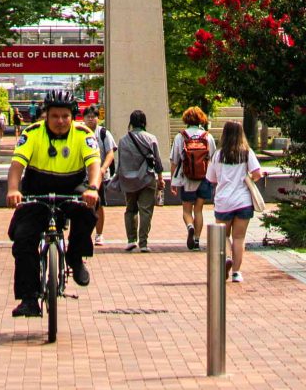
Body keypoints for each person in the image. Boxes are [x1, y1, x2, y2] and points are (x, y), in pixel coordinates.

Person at [3, 92, 100, 320]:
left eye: (65, 116)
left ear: (73, 117)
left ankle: (75, 257)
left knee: (87, 213)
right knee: (23, 238)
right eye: (55, 116)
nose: (60, 121)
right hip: (37, 188)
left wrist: (93, 188)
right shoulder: (32, 133)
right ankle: (29, 298)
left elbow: (94, 164)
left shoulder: (83, 134)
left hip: (72, 186)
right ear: (46, 115)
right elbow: (17, 165)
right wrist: (13, 190)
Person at [205, 119, 263, 285]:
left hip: (223, 201)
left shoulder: (218, 155)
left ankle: (227, 258)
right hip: (243, 201)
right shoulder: (246, 153)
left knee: (223, 235)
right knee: (239, 238)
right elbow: (257, 173)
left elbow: (211, 178)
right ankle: (237, 272)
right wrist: (247, 178)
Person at [104, 110, 164, 252]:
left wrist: (119, 178)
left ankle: (131, 240)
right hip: (147, 178)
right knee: (146, 211)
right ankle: (143, 243)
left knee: (130, 209)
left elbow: (121, 163)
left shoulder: (123, 140)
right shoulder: (151, 138)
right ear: (144, 122)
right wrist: (160, 178)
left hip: (128, 180)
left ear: (131, 122)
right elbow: (157, 161)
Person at [170, 106, 216, 251]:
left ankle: (190, 226)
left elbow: (174, 160)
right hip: (204, 177)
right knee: (199, 210)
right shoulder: (207, 136)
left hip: (187, 178)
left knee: (186, 210)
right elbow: (213, 159)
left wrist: (173, 181)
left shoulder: (181, 137)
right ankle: (196, 240)